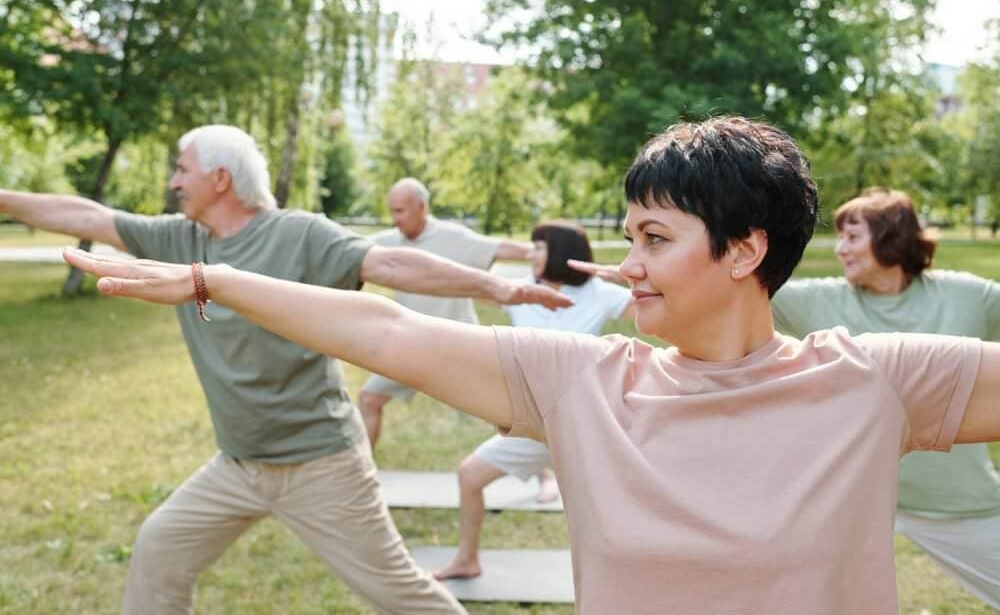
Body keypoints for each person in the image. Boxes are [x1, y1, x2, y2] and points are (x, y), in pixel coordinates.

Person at [61, 116, 1000, 615]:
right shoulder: (586, 384)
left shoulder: (879, 379)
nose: (626, 262)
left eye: (654, 238)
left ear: (746, 252)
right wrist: (206, 278)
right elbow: (385, 334)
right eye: (626, 234)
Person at [0, 124, 571, 615]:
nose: (174, 181)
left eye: (183, 169)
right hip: (238, 464)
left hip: (320, 464)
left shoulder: (300, 234)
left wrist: (492, 283)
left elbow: (391, 261)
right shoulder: (180, 237)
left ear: (219, 178)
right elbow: (89, 215)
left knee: (400, 594)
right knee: (158, 550)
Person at [770, 188, 1000, 609]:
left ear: (891, 238)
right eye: (840, 238)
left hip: (952, 502)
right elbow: (722, 285)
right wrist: (625, 273)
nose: (841, 249)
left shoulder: (967, 296)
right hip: (852, 501)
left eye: (852, 237)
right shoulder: (821, 299)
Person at [432, 220, 634, 581]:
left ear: (560, 252)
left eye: (539, 247)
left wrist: (629, 277)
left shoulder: (598, 292)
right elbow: (464, 286)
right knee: (470, 475)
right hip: (534, 420)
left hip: (582, 418)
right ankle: (467, 560)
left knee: (606, 510)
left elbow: (663, 311)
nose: (531, 254)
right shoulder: (521, 290)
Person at [358, 177, 531, 447]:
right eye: (391, 211)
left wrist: (549, 253)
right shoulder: (390, 242)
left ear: (421, 207)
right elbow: (346, 246)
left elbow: (500, 248)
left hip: (459, 347)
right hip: (410, 344)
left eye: (400, 211)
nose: (394, 219)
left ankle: (541, 471)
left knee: (502, 414)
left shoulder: (453, 237)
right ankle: (362, 477)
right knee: (369, 398)